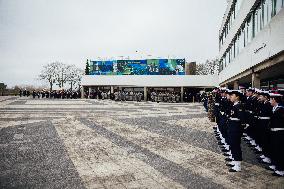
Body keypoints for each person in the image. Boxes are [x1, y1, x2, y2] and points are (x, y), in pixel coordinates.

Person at [225, 90, 246, 172]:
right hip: (232, 129)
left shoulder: (239, 106)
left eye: (232, 95)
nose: (230, 97)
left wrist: (239, 131)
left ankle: (238, 165)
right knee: (232, 145)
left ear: (237, 97)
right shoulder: (234, 105)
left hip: (236, 130)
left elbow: (242, 121)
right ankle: (234, 161)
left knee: (236, 146)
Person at [267, 93, 284, 177]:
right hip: (273, 132)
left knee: (279, 151)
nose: (269, 101)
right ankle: (275, 165)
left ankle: (280, 169)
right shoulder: (274, 108)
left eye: (270, 99)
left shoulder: (281, 109)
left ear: (274, 100)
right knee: (273, 149)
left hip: (279, 133)